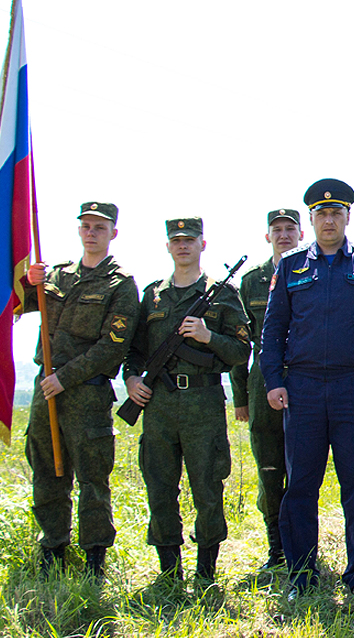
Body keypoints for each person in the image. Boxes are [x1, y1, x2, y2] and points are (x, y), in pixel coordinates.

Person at [261, 179, 354, 597]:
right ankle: (301, 575)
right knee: (301, 484)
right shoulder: (289, 266)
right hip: (302, 389)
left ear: (347, 217)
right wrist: (273, 379)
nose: (328, 220)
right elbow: (274, 328)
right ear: (311, 220)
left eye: (335, 213)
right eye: (321, 214)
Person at [124, 217, 250, 584]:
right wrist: (132, 380)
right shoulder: (153, 296)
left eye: (189, 240)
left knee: (207, 486)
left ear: (202, 245)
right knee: (160, 485)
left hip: (203, 403)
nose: (182, 245)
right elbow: (133, 351)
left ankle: (206, 572)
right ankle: (169, 572)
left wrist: (209, 336)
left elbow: (242, 351)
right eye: (176, 240)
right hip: (159, 404)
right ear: (167, 246)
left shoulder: (222, 294)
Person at [24, 202, 138, 579]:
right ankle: (53, 546)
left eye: (99, 228)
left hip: (85, 394)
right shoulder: (56, 275)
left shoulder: (120, 283)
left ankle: (94, 557)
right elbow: (20, 305)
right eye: (86, 226)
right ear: (79, 230)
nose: (91, 233)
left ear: (112, 234)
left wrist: (65, 377)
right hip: (46, 391)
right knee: (46, 471)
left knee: (92, 478)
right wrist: (29, 281)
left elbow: (113, 344)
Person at [229, 208, 302, 571]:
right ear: (267, 235)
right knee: (270, 466)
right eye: (278, 229)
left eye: (290, 229)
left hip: (303, 379)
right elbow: (241, 343)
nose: (284, 235)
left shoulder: (310, 271)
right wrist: (240, 397)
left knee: (302, 466)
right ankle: (276, 548)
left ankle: (302, 544)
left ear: (301, 234)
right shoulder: (252, 281)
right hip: (263, 382)